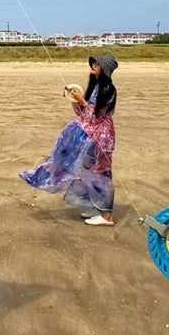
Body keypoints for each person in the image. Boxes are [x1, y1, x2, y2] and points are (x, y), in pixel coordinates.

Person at [19, 53, 118, 225]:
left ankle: (106, 215)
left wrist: (83, 102)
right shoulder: (96, 87)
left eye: (97, 63)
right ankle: (98, 207)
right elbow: (82, 113)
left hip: (100, 138)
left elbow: (95, 117)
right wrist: (75, 100)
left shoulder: (108, 90)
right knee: (86, 170)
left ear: (105, 69)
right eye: (93, 62)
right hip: (88, 135)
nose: (93, 65)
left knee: (100, 173)